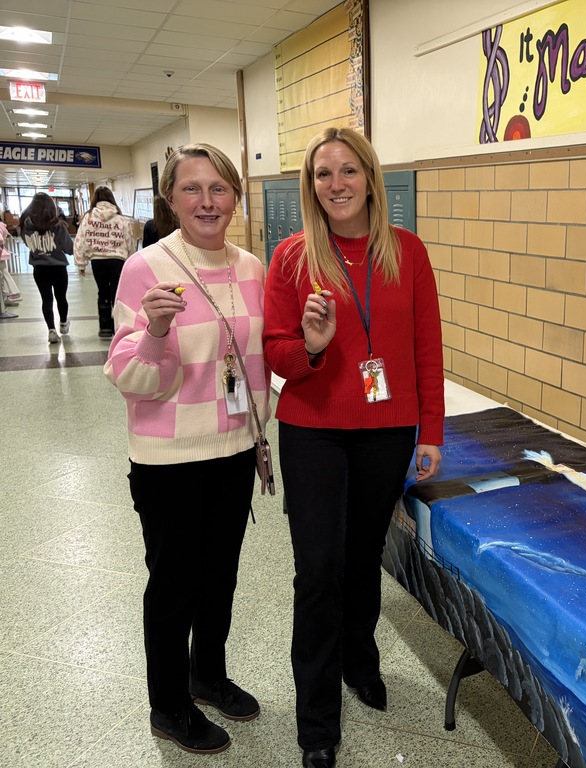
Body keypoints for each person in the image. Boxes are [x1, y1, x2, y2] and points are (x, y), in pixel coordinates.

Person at [263, 127, 444, 768]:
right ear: (310, 185)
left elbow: (426, 346)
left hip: (386, 429)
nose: (335, 184)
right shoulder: (292, 258)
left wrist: (431, 431)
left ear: (369, 178)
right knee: (318, 571)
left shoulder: (407, 253)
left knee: (364, 558)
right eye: (322, 174)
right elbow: (276, 352)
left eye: (347, 171)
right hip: (312, 427)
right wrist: (311, 347)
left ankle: (359, 661)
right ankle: (316, 724)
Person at [103, 143, 270, 755]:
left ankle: (208, 674)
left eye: (219, 188)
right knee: (175, 584)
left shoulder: (252, 267)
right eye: (192, 189)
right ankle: (168, 705)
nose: (207, 201)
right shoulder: (144, 267)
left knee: (220, 574)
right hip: (168, 457)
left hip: (235, 446)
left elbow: (259, 353)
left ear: (235, 198)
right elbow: (128, 377)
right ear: (170, 199)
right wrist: (154, 331)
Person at [74, 187, 133, 338]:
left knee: (103, 291)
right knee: (117, 293)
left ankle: (105, 327)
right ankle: (120, 325)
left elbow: (81, 240)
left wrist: (81, 263)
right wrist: (131, 260)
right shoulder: (121, 219)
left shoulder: (88, 218)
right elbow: (129, 240)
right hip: (117, 260)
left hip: (97, 261)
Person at [20, 193, 74, 343]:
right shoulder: (58, 226)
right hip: (58, 268)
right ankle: (63, 323)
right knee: (61, 297)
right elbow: (69, 248)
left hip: (39, 269)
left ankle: (51, 330)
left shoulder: (26, 226)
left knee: (46, 299)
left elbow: (28, 243)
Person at [0, 219, 21, 304]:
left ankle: (14, 292)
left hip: (0, 253)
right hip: (2, 252)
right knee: (4, 273)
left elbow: (0, 239)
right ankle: (5, 293)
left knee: (4, 273)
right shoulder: (2, 226)